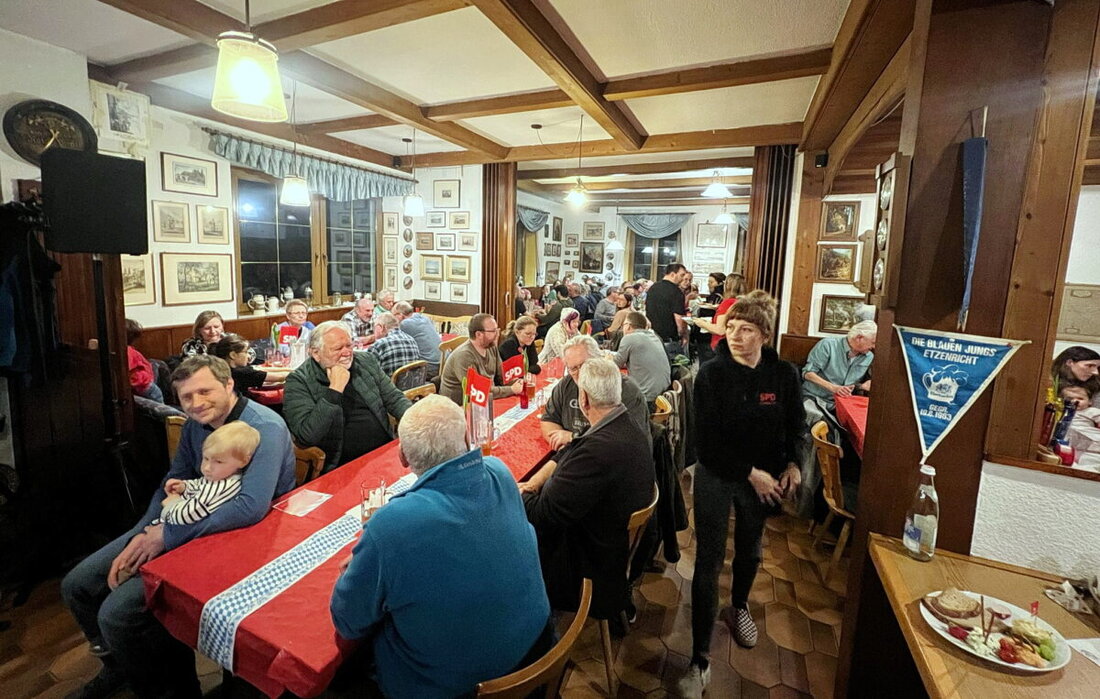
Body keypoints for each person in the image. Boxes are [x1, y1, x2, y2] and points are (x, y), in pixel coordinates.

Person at [62, 355, 296, 699]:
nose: (196, 403)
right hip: (181, 519)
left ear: (229, 384)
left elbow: (249, 508)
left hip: (240, 537)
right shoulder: (195, 424)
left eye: (205, 391)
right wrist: (145, 532)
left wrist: (165, 537)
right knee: (77, 585)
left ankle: (173, 690)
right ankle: (121, 669)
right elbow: (173, 481)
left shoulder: (265, 428)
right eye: (186, 397)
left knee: (117, 615)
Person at [330, 395, 551, 697]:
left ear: (403, 457)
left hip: (457, 688)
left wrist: (355, 571)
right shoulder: (498, 471)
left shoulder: (392, 524)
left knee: (341, 676)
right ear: (465, 437)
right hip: (538, 655)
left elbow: (347, 621)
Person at [679, 291, 806, 697]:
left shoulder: (784, 375)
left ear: (764, 335)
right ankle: (699, 658)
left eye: (745, 329)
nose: (734, 335)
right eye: (731, 327)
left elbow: (795, 425)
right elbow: (707, 444)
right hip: (719, 474)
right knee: (709, 561)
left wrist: (793, 464)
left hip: (766, 477)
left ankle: (739, 606)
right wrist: (752, 474)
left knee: (751, 551)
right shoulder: (712, 375)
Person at [521, 358, 654, 620]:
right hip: (610, 548)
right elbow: (573, 448)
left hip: (587, 566)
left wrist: (516, 493)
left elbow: (543, 516)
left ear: (583, 400)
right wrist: (535, 482)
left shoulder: (597, 453)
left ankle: (532, 630)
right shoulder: (624, 424)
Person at [284, 321, 411, 472]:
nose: (347, 352)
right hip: (339, 465)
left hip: (383, 452)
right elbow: (307, 436)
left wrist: (416, 423)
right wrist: (335, 390)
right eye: (338, 348)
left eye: (349, 346)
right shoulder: (299, 381)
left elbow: (394, 399)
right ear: (315, 353)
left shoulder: (365, 361)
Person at [540, 335, 649, 451]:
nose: (580, 373)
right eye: (573, 368)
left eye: (584, 365)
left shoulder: (626, 390)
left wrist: (574, 439)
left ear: (599, 360)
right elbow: (548, 420)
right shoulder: (566, 385)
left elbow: (627, 442)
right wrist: (564, 449)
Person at [158, 421, 260, 527]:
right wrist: (184, 486)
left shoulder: (221, 487)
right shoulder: (219, 477)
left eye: (219, 461)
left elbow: (185, 516)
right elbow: (201, 484)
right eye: (206, 458)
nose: (207, 467)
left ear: (243, 461)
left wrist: (172, 503)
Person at [439, 313, 524, 405]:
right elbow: (478, 391)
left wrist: (517, 382)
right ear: (479, 334)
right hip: (460, 407)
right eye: (493, 331)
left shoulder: (491, 347)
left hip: (487, 401)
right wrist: (511, 389)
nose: (497, 334)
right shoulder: (464, 356)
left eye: (497, 330)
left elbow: (502, 376)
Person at [802, 320, 877, 413]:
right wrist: (834, 388)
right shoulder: (828, 345)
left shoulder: (869, 357)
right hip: (814, 398)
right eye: (873, 342)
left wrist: (862, 386)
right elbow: (808, 374)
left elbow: (854, 385)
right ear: (859, 337)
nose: (874, 347)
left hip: (842, 403)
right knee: (819, 420)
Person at [611, 311, 672, 404]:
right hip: (664, 394)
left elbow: (614, 365)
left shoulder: (629, 338)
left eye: (623, 325)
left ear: (628, 325)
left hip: (646, 399)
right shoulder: (654, 336)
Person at [211, 333, 291, 397]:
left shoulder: (228, 367)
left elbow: (260, 369)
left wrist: (291, 369)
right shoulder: (240, 373)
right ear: (233, 355)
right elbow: (280, 377)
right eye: (245, 352)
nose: (249, 356)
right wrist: (300, 373)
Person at [693, 274, 746, 351]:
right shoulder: (744, 302)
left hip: (720, 345)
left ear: (727, 286)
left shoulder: (727, 303)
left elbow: (720, 330)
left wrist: (701, 323)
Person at [392, 301, 443, 376]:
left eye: (393, 316)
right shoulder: (424, 317)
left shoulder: (405, 324)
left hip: (429, 367)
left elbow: (394, 340)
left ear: (400, 315)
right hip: (443, 363)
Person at [645, 263, 690, 345]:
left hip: (652, 336)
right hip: (669, 338)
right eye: (681, 275)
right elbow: (679, 319)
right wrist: (684, 335)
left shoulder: (653, 288)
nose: (683, 278)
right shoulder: (676, 292)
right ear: (673, 274)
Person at [366, 311, 422, 376]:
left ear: (380, 327)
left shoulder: (378, 345)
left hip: (388, 385)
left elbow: (369, 375)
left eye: (374, 328)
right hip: (414, 385)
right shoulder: (412, 340)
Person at [1060, 384, 1100, 471]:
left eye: (1080, 399)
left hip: (1091, 442)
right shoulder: (1062, 411)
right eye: (1070, 399)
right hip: (1071, 444)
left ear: (1090, 402)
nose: (1075, 401)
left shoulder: (1091, 411)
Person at [126, 319, 162, 403]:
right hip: (144, 386)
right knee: (160, 405)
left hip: (144, 385)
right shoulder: (128, 351)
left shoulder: (128, 351)